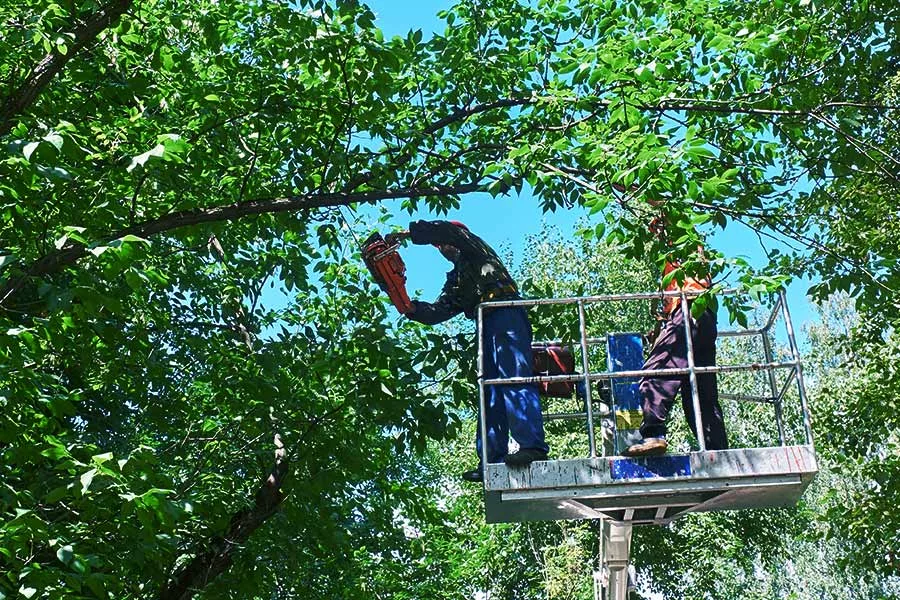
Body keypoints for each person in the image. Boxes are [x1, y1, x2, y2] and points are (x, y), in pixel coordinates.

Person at [387, 220, 549, 481]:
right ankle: (490, 459)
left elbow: (451, 233)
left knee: (514, 377)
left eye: (443, 241)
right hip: (485, 323)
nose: (441, 247)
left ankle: (532, 447)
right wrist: (408, 307)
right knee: (489, 390)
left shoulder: (475, 249)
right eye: (438, 245)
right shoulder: (458, 278)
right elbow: (439, 310)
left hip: (506, 312)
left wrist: (409, 234)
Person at [623, 215, 729, 457]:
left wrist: (629, 183)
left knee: (656, 371)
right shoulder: (681, 262)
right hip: (704, 316)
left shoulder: (683, 236)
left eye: (657, 227)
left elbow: (664, 201)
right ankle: (718, 451)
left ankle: (653, 435)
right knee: (699, 389)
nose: (655, 233)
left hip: (690, 307)